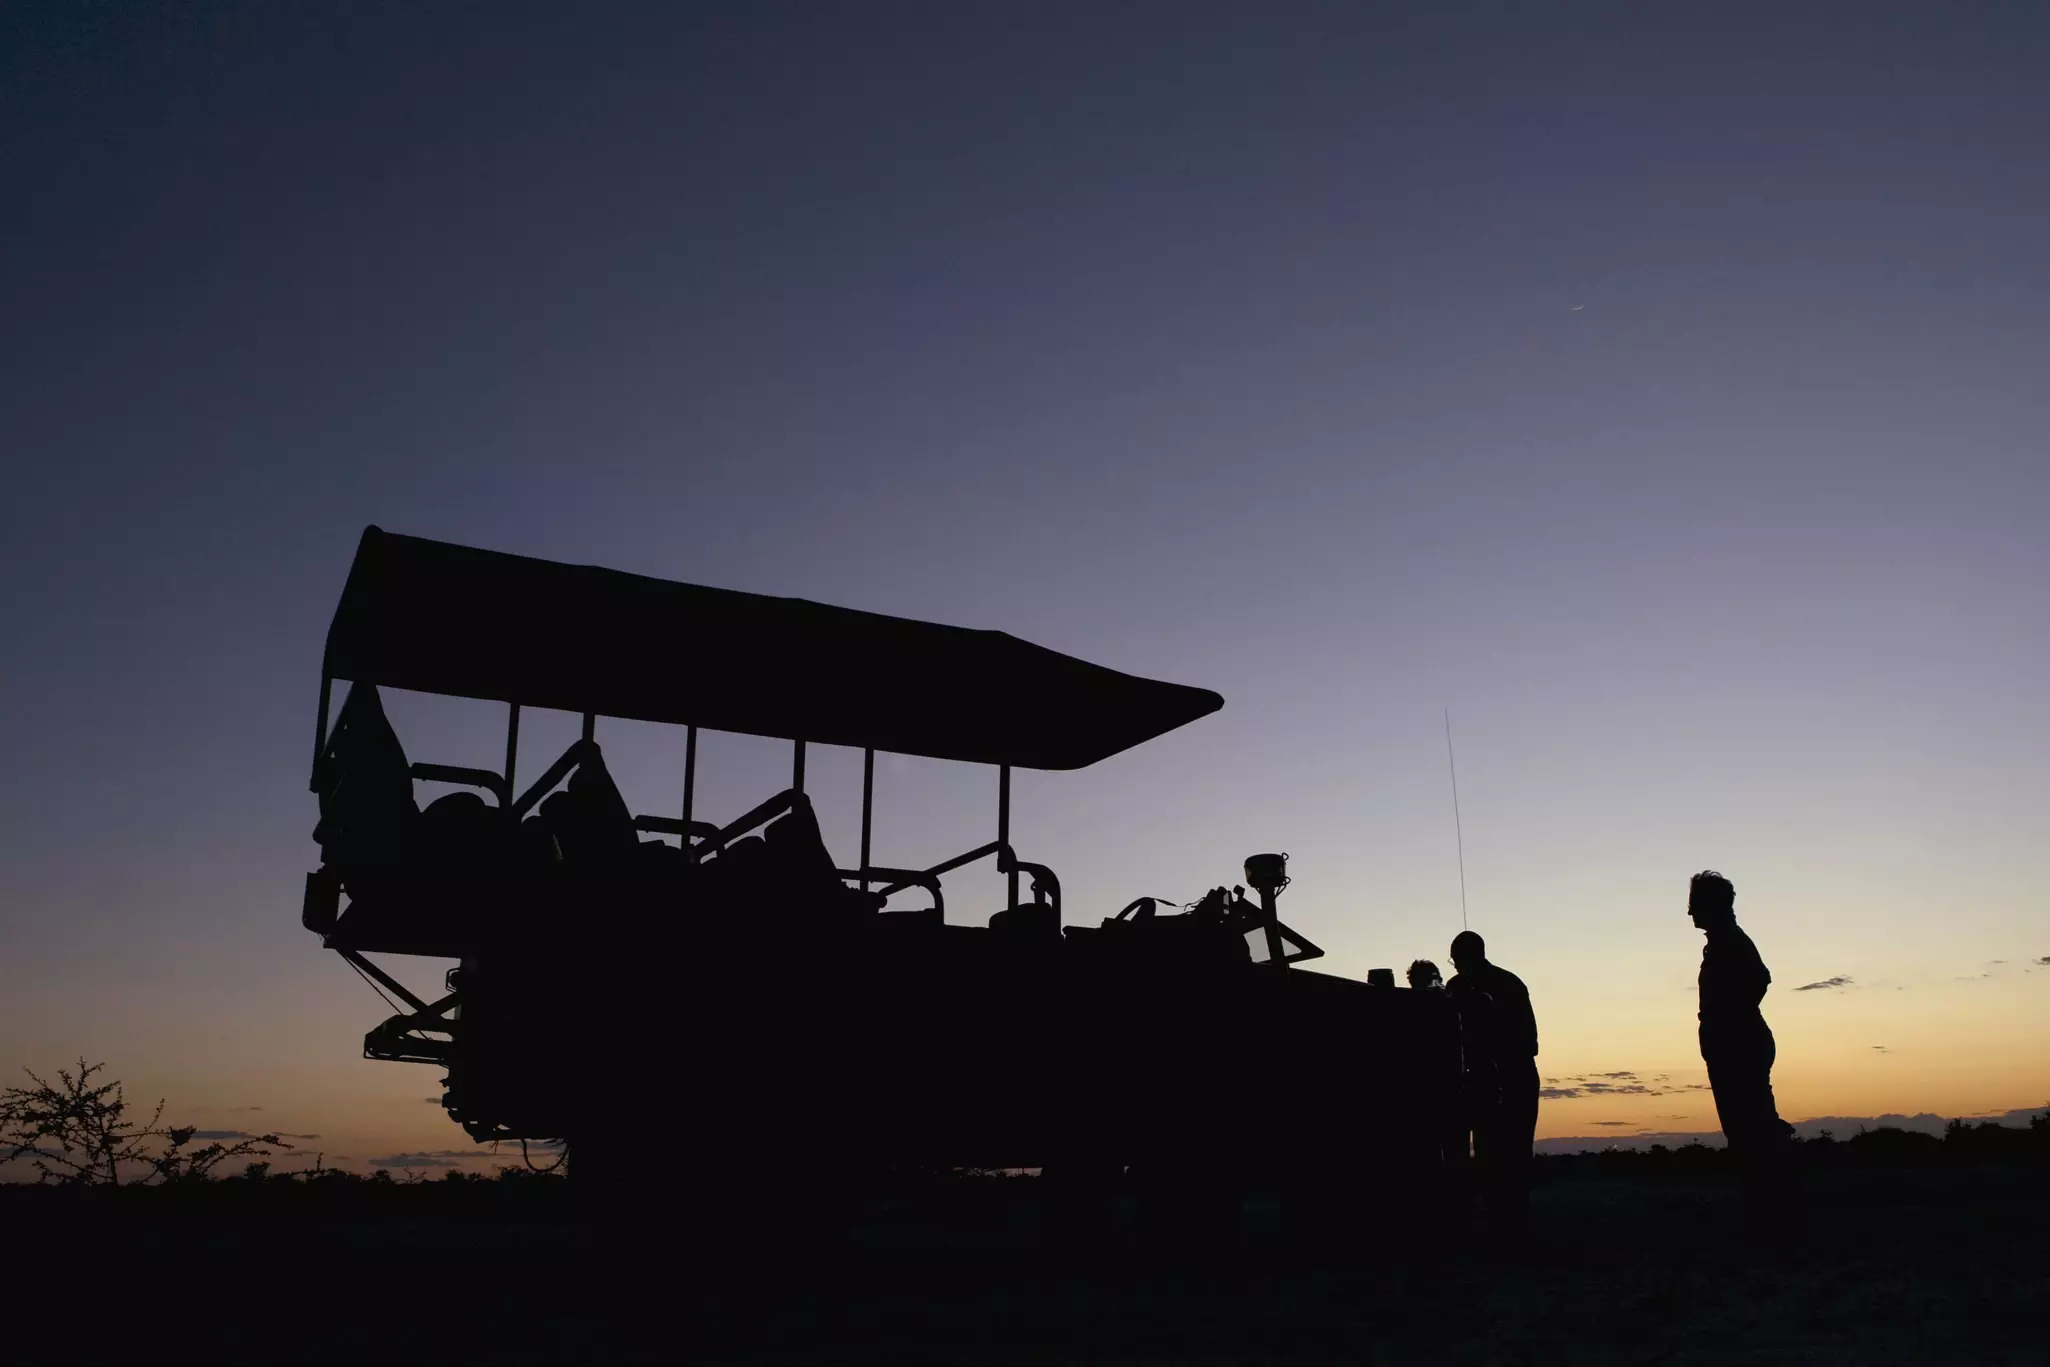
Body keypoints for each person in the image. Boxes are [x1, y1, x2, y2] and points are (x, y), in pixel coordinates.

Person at [1688, 870, 1796, 1211]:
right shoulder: (1724, 941)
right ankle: (1769, 1204)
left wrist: (1731, 1018)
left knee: (1753, 1130)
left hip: (1739, 1044)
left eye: (1694, 904)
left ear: (1711, 905)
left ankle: (1774, 1207)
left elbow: (1759, 979)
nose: (1690, 912)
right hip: (1733, 1042)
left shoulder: (1731, 941)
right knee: (1747, 1128)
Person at [1446, 930, 1539, 1235]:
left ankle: (1514, 1222)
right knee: (1487, 1153)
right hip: (1480, 1083)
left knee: (1515, 1152)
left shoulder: (1508, 985)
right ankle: (1496, 1221)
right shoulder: (1455, 988)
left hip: (1514, 1080)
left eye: (1458, 961)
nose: (1456, 967)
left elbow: (1528, 1042)